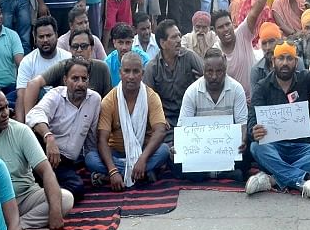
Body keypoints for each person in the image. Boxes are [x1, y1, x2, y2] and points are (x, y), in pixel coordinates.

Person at [247, 27, 310, 202]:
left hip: (300, 148)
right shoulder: (262, 87)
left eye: (289, 58)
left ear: (296, 61)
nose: (285, 63)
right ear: (274, 60)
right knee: (256, 147)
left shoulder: (304, 80)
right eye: (281, 58)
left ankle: (273, 178)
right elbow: (252, 119)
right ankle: (301, 182)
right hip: (273, 148)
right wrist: (254, 132)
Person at [0, 84, 73, 230]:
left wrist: (55, 211)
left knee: (65, 198)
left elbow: (46, 172)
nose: (6, 113)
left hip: (25, 197)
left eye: (6, 107)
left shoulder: (21, 131)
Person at [86, 53, 169, 190]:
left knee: (163, 151)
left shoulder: (151, 97)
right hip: (116, 153)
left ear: (142, 74)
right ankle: (141, 173)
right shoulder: (109, 100)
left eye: (136, 71)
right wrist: (112, 169)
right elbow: (102, 139)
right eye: (127, 71)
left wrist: (142, 159)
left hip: (143, 152)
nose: (131, 76)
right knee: (91, 158)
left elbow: (160, 131)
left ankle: (112, 176)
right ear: (120, 73)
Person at [25, 59, 102, 202]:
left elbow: (92, 137)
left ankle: (42, 190)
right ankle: (40, 188)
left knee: (77, 189)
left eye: (84, 79)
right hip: (45, 152)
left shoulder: (95, 100)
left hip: (66, 162)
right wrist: (49, 137)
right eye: (75, 78)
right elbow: (33, 115)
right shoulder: (56, 95)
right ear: (65, 80)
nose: (80, 84)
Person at [176, 48, 248, 180]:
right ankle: (223, 174)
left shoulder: (236, 89)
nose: (214, 76)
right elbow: (183, 127)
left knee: (249, 151)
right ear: (203, 71)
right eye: (209, 71)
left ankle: (206, 174)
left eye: (219, 71)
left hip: (228, 150)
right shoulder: (192, 91)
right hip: (200, 151)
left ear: (225, 70)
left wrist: (243, 140)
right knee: (174, 160)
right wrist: (178, 147)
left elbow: (242, 123)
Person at [213, 0, 274, 101]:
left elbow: (254, 13)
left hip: (255, 97)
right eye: (221, 27)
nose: (226, 29)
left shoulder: (241, 34)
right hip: (233, 102)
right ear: (216, 31)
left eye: (228, 24)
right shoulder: (216, 51)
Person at [23, 29, 113, 120]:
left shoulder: (102, 68)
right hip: (63, 121)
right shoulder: (63, 66)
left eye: (84, 46)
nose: (79, 50)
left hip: (93, 119)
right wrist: (29, 122)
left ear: (92, 48)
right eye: (75, 46)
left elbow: (108, 103)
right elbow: (33, 84)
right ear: (70, 49)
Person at [143, 19, 205, 145]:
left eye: (179, 36)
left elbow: (209, 77)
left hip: (191, 114)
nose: (178, 40)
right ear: (162, 43)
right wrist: (158, 118)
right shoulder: (152, 67)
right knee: (166, 148)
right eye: (174, 37)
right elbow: (146, 99)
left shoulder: (189, 57)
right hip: (167, 120)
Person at [15, 16, 70, 121]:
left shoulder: (68, 58)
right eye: (41, 37)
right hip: (37, 112)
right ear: (35, 38)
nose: (45, 40)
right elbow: (21, 96)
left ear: (57, 35)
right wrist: (23, 127)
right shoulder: (27, 62)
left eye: (49, 36)